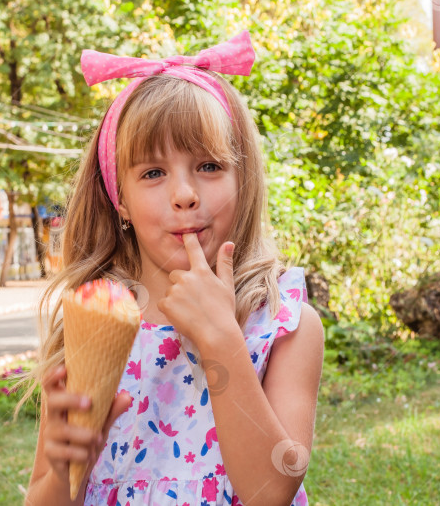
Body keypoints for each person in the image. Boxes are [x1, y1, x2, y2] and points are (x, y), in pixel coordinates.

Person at [18, 31, 325, 506]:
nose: (185, 193)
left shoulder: (283, 325)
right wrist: (61, 472)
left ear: (243, 180)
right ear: (119, 198)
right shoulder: (95, 325)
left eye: (208, 165)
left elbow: (271, 491)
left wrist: (220, 337)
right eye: (153, 173)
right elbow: (48, 497)